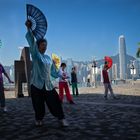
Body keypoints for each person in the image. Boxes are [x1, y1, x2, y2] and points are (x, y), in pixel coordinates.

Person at [25, 20, 69, 127]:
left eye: (46, 45)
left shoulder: (49, 58)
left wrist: (61, 75)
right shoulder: (36, 55)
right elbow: (32, 43)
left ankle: (61, 118)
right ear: (38, 46)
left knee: (55, 102)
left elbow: (53, 71)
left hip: (48, 85)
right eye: (42, 45)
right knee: (38, 104)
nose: (44, 47)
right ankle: (38, 119)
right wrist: (29, 29)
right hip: (36, 84)